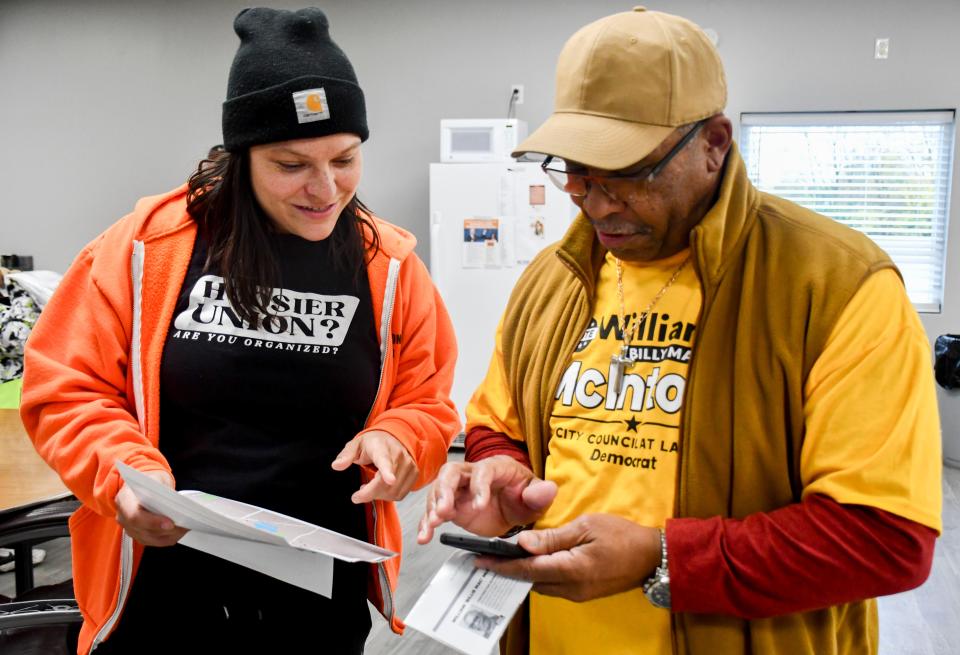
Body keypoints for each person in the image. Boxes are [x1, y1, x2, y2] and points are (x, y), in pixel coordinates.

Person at [418, 7, 942, 655]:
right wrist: (503, 468)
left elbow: (884, 538)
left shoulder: (837, 284)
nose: (593, 199)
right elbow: (503, 423)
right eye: (573, 168)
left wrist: (662, 558)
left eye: (628, 171)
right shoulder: (551, 280)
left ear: (714, 142)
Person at [21, 7, 459, 655]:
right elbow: (65, 388)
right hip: (163, 583)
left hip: (318, 589)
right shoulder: (145, 249)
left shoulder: (388, 266)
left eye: (344, 158)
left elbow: (427, 403)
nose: (325, 188)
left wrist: (398, 440)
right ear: (242, 153)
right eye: (291, 163)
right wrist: (125, 475)